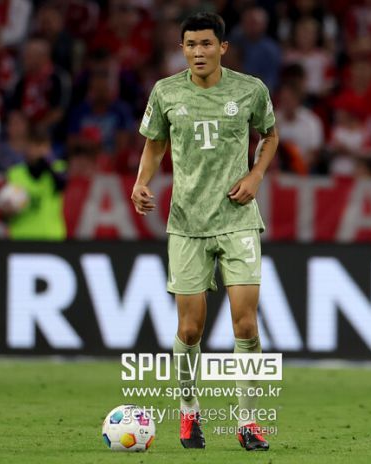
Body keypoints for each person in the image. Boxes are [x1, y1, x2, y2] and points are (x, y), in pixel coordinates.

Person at [130, 12, 278, 452]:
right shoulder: (166, 92)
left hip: (237, 220)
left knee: (245, 323)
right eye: (191, 44)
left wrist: (255, 176)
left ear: (223, 48)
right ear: (182, 48)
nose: (199, 52)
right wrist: (140, 182)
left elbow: (270, 136)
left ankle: (248, 422)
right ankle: (189, 411)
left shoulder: (250, 90)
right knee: (190, 329)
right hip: (187, 224)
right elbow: (155, 144)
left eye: (207, 44)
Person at [1, 127, 67, 240]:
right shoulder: (14, 173)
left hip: (51, 236)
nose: (38, 150)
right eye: (34, 145)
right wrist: (7, 211)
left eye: (43, 145)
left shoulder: (58, 168)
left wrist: (47, 161)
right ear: (26, 146)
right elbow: (4, 212)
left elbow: (62, 184)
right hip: (21, 236)